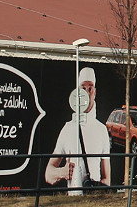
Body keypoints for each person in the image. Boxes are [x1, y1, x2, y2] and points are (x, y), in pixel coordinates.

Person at [45, 66, 111, 194]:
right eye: (83, 88)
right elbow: (48, 174)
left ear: (95, 92)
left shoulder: (102, 130)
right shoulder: (68, 129)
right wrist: (62, 173)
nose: (86, 92)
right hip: (73, 198)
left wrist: (100, 190)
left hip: (94, 198)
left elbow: (107, 177)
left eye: (90, 88)